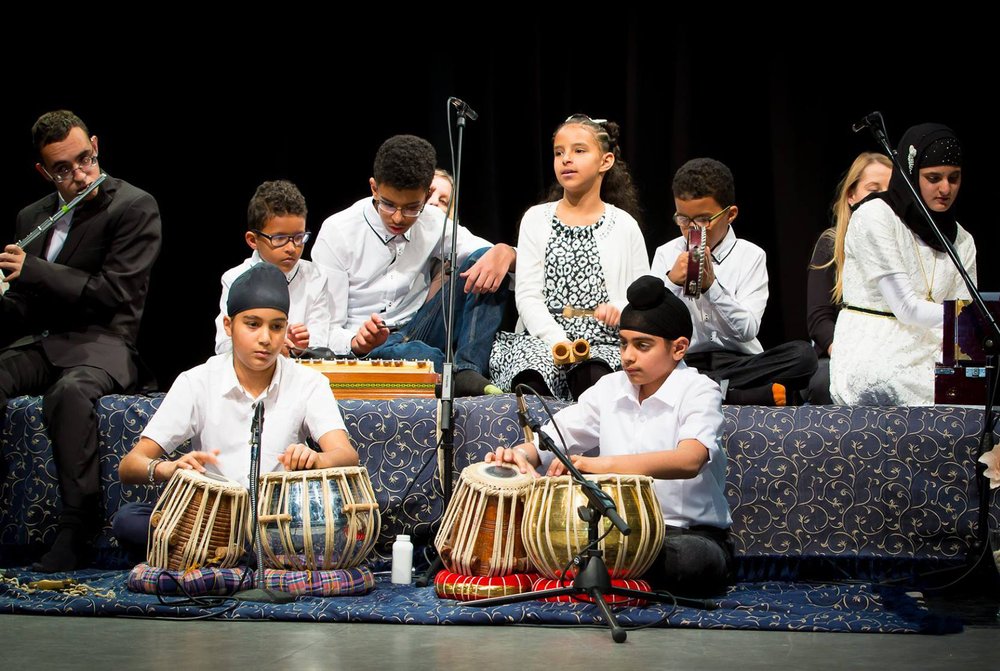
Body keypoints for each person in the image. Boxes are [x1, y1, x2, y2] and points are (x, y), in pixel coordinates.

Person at [489, 275, 732, 596]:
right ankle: (613, 575)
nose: (628, 356)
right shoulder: (610, 388)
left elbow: (690, 460)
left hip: (685, 535)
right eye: (623, 343)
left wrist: (598, 466)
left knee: (690, 562)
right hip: (619, 533)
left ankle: (602, 574)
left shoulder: (699, 390)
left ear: (678, 348)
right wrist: (519, 456)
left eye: (642, 345)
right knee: (544, 539)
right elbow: (550, 441)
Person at [0, 110, 162, 571]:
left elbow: (116, 293)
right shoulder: (31, 216)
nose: (79, 175)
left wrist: (36, 270)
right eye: (63, 169)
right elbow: (29, 305)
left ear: (96, 146)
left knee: (68, 394)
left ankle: (77, 524)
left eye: (85, 160)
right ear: (44, 172)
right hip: (46, 341)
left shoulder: (134, 206)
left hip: (104, 344)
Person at [113, 263, 358, 557]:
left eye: (277, 327)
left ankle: (219, 557)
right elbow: (130, 466)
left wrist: (316, 458)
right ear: (229, 326)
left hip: (279, 520)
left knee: (331, 528)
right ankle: (236, 554)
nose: (266, 338)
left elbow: (347, 455)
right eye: (252, 325)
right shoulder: (198, 381)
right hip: (211, 520)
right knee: (129, 521)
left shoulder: (309, 382)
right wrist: (169, 468)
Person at [311, 134, 516, 396]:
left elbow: (488, 254)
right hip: (368, 349)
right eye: (388, 204)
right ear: (374, 188)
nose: (398, 217)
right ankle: (448, 370)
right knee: (422, 355)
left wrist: (506, 252)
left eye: (411, 208)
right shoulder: (338, 231)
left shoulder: (432, 221)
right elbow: (324, 328)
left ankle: (466, 369)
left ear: (427, 194)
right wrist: (356, 342)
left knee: (485, 258)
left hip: (417, 329)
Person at [490, 114, 649, 400]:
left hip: (603, 342)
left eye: (579, 151)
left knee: (593, 377)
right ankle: (536, 446)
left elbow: (641, 293)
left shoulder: (624, 225)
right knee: (533, 380)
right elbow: (527, 295)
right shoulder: (536, 219)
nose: (566, 159)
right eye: (559, 152)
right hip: (543, 339)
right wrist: (558, 341)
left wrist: (620, 307)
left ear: (606, 161)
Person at [830, 124, 976, 405]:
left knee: (977, 386)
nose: (945, 188)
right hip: (877, 349)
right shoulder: (875, 216)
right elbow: (907, 308)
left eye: (953, 178)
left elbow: (963, 314)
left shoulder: (963, 240)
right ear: (910, 175)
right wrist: (972, 318)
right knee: (897, 385)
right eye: (933, 178)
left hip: (934, 349)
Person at [650, 158, 816, 405]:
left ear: (730, 214)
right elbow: (650, 327)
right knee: (648, 366)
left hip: (739, 361)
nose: (692, 229)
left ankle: (708, 390)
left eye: (704, 220)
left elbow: (747, 330)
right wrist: (671, 282)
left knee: (803, 356)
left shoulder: (751, 255)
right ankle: (735, 394)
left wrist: (711, 288)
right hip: (686, 362)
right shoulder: (666, 254)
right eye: (683, 219)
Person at [805, 153, 892, 404]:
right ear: (851, 196)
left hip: (890, 353)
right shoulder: (831, 244)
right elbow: (819, 319)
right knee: (824, 382)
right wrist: (849, 357)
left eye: (890, 190)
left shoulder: (903, 246)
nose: (883, 199)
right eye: (873, 189)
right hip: (841, 354)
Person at [214, 180, 332, 356]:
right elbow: (224, 346)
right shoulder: (235, 278)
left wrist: (300, 347)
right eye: (279, 238)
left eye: (299, 237)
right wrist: (274, 343)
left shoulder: (315, 276)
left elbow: (320, 342)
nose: (291, 248)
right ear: (253, 240)